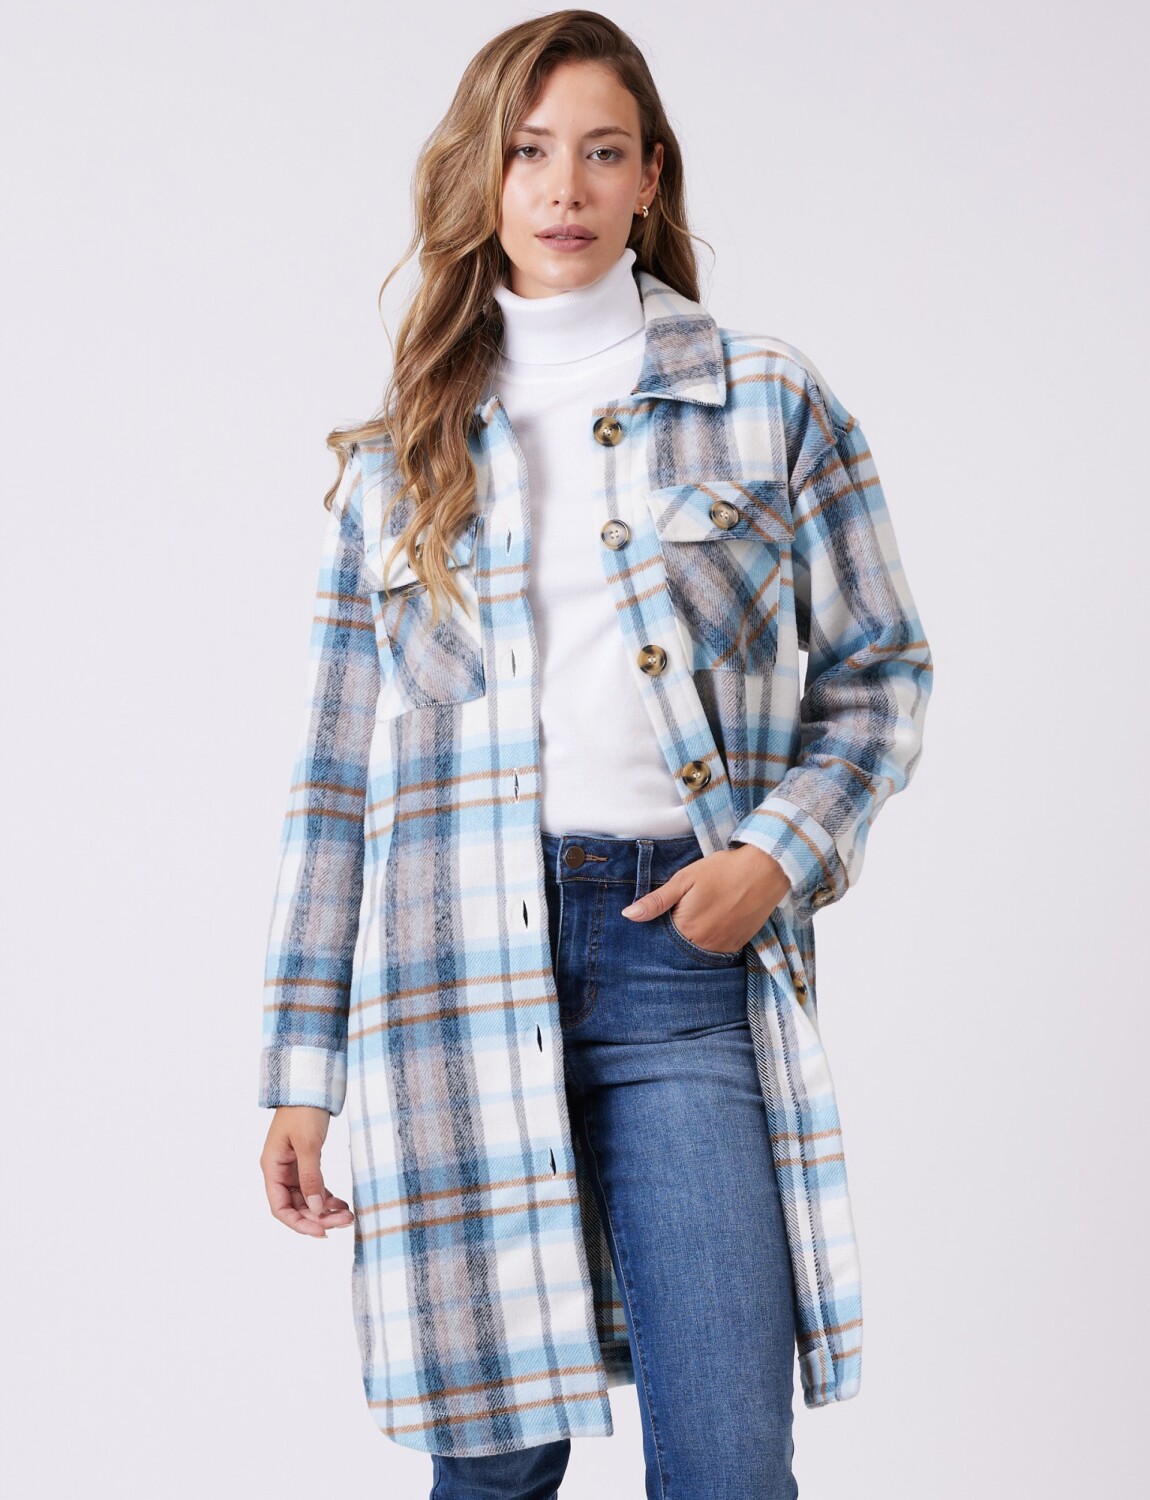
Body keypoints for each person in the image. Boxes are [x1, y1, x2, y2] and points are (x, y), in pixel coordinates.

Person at [257, 10, 933, 1498]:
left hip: (675, 967)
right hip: (447, 992)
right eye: (528, 151)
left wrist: (774, 858)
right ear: (481, 175)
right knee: (496, 1474)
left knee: (726, 1466)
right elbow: (333, 787)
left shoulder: (765, 398)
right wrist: (299, 1071)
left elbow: (881, 672)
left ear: (648, 177)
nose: (564, 186)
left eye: (602, 152)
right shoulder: (399, 459)